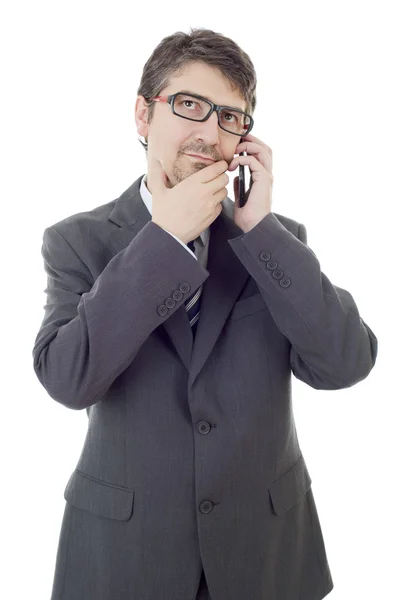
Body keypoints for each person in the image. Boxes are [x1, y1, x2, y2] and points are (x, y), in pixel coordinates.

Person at [32, 27, 378, 600]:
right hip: (123, 560)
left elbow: (345, 363)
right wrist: (164, 239)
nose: (208, 131)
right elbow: (69, 379)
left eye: (230, 116)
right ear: (143, 115)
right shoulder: (76, 242)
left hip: (265, 560)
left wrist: (260, 231)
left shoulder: (272, 243)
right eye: (189, 105)